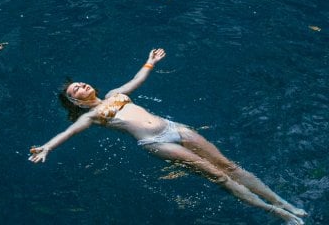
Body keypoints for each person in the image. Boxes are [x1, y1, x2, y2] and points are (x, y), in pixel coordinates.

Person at [26, 48, 307, 222]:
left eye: (81, 83)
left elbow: (136, 81)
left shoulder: (114, 94)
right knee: (219, 176)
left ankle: (282, 201)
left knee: (230, 166)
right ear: (76, 102)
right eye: (76, 90)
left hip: (175, 128)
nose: (81, 86)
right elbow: (70, 131)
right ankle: (275, 213)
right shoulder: (91, 116)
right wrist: (48, 148)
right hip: (156, 143)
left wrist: (149, 63)